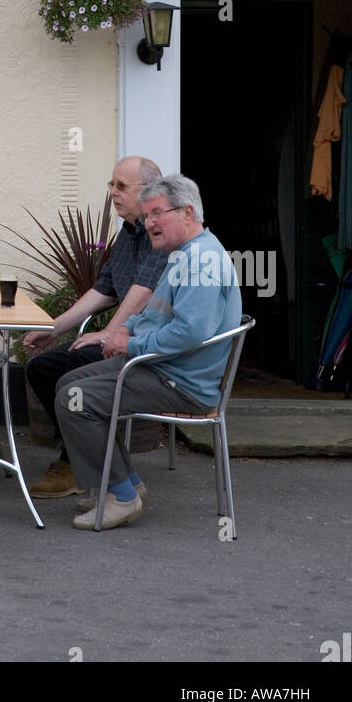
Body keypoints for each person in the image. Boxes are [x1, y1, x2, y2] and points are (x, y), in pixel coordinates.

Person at [56, 173, 242, 531]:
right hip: (165, 368)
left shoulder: (201, 261)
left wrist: (131, 344)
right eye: (147, 215)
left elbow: (190, 331)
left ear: (188, 212)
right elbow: (159, 314)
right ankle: (125, 482)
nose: (149, 223)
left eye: (157, 213)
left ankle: (122, 495)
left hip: (181, 381)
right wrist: (126, 328)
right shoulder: (185, 254)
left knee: (74, 398)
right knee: (70, 381)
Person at [24, 155, 166, 498]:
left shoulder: (161, 230)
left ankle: (90, 466)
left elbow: (143, 291)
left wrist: (110, 333)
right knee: (43, 367)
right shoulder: (130, 231)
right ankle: (83, 456)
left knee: (70, 377)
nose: (113, 193)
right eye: (111, 185)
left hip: (147, 347)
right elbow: (104, 289)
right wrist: (54, 328)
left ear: (147, 191)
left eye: (121, 186)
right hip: (127, 339)